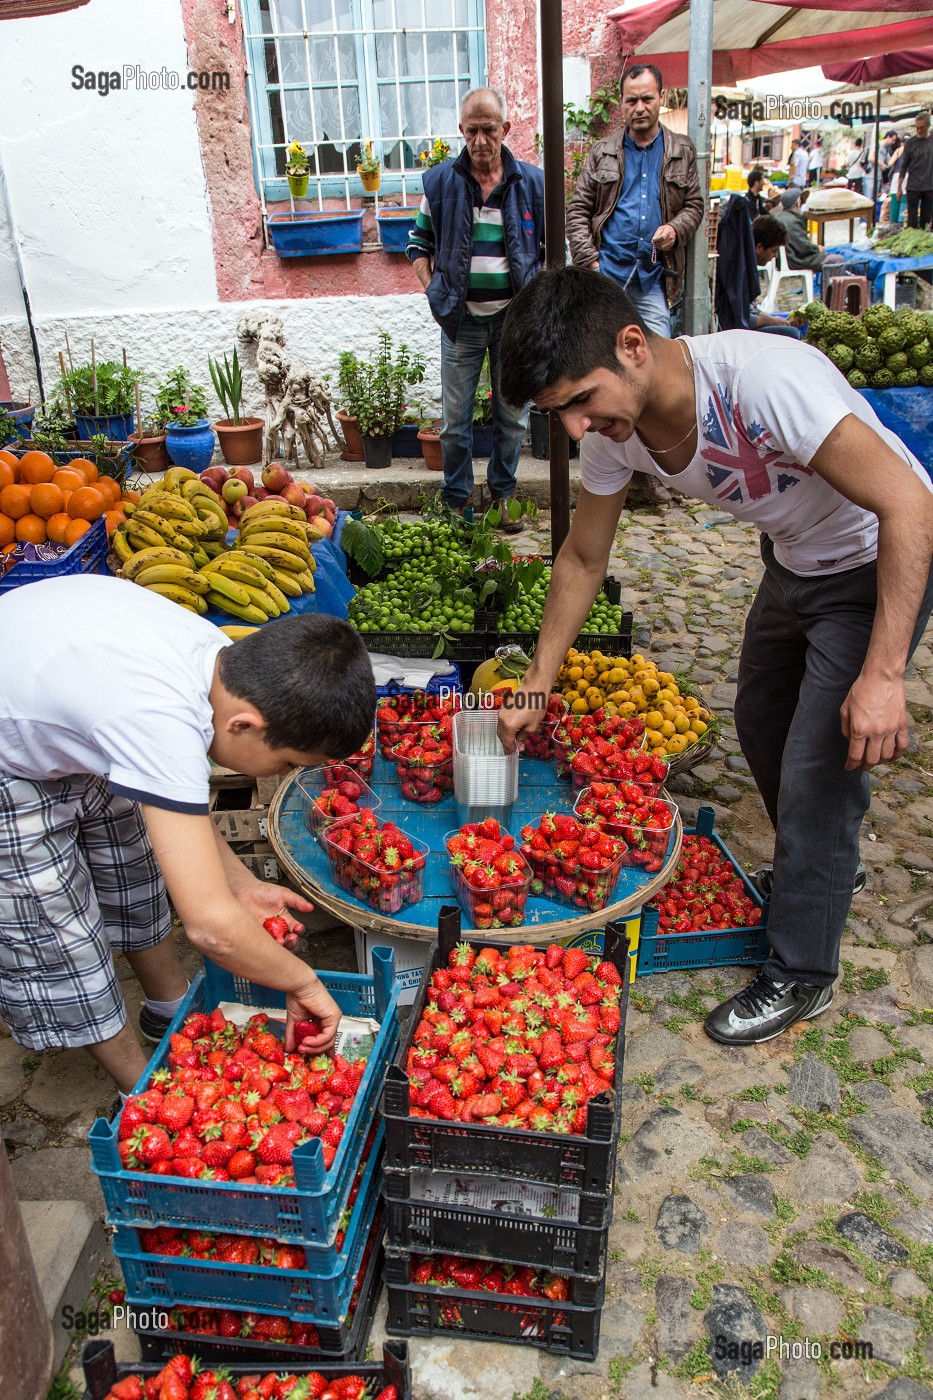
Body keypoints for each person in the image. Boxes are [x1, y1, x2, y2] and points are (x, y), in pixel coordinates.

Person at [496, 265, 933, 1047]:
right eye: (554, 414)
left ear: (633, 346)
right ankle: (824, 873)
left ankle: (802, 973)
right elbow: (581, 558)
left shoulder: (763, 382)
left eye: (577, 402)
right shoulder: (614, 436)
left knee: (816, 764)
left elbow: (908, 501)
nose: (572, 430)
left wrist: (883, 673)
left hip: (874, 561)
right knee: (759, 721)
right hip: (794, 562)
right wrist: (535, 683)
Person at [0, 577, 377, 1092]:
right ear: (243, 725)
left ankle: (169, 1011)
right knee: (61, 931)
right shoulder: (160, 718)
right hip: (9, 755)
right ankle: (142, 1091)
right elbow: (210, 929)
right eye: (286, 762)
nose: (278, 774)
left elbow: (182, 809)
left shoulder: (219, 662)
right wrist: (302, 982)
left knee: (134, 864)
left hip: (53, 697)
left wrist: (241, 887)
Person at [406, 86, 545, 530]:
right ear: (460, 130)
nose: (480, 140)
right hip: (460, 321)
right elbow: (417, 246)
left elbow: (548, 250)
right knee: (453, 423)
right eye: (472, 131)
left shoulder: (532, 183)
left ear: (506, 129)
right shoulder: (441, 183)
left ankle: (503, 498)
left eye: (489, 130)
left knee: (512, 419)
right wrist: (435, 291)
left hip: (513, 320)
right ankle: (458, 501)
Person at [566, 63, 703, 338]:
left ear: (661, 98)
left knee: (659, 360)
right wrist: (593, 265)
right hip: (607, 274)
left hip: (652, 279)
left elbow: (694, 205)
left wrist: (675, 229)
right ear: (621, 103)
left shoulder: (682, 149)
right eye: (632, 100)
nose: (639, 107)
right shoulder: (601, 152)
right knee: (601, 358)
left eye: (647, 99)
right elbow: (577, 210)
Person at [773, 187, 844, 272]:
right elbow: (803, 247)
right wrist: (817, 249)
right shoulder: (792, 221)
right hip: (796, 260)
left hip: (788, 258)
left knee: (829, 253)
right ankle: (831, 285)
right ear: (797, 202)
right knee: (837, 259)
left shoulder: (779, 217)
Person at [896, 112, 933, 230]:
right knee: (912, 223)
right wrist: (899, 188)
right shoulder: (910, 143)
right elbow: (903, 166)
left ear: (928, 126)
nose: (918, 130)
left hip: (929, 186)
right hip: (913, 186)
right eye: (917, 127)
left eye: (921, 127)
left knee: (925, 220)